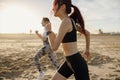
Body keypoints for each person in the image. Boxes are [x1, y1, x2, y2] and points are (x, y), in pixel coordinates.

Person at [46, 0, 90, 80]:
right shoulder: (70, 21)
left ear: (63, 7)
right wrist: (87, 50)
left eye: (55, 5)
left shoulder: (66, 22)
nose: (52, 8)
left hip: (77, 62)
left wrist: (48, 32)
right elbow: (87, 33)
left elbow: (54, 47)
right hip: (69, 61)